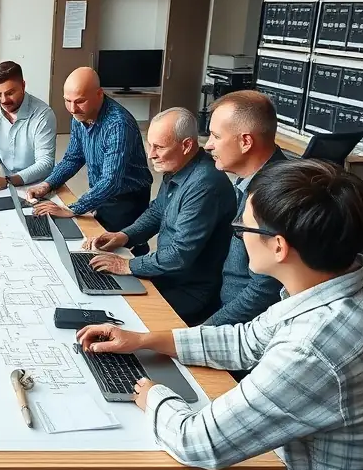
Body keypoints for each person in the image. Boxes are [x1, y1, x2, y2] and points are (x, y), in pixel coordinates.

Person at [71, 159, 363, 470]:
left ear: (278, 246)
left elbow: (198, 443)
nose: (238, 237)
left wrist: (151, 395)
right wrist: (148, 340)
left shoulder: (312, 349)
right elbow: (249, 339)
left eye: (242, 228)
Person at [85, 108, 236, 325]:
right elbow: (157, 211)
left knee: (118, 319)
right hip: (167, 276)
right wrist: (124, 236)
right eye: (150, 144)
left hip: (191, 291)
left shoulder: (205, 185)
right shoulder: (179, 167)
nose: (151, 154)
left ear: (186, 146)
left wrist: (127, 265)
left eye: (159, 147)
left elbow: (178, 255)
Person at [27, 68, 152, 249]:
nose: (72, 109)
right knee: (95, 239)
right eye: (67, 101)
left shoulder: (118, 124)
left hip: (127, 198)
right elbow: (73, 158)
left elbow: (111, 181)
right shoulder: (79, 116)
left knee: (122, 249)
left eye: (80, 101)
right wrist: (47, 184)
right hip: (101, 193)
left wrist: (71, 209)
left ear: (99, 94)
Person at [203, 90, 287, 327]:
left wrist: (203, 334)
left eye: (216, 136)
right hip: (226, 310)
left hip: (245, 329)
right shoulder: (255, 179)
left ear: (246, 142)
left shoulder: (272, 196)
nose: (208, 145)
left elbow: (263, 292)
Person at [0, 61, 57, 192]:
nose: (4, 100)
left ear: (23, 86)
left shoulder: (43, 115)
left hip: (39, 185)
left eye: (10, 93)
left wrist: (7, 181)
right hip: (7, 183)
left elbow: (45, 164)